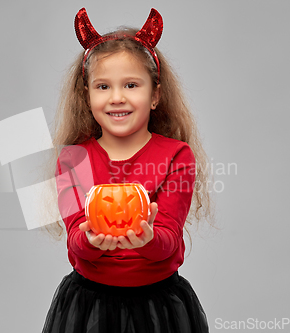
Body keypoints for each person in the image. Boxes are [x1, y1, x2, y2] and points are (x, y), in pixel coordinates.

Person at [42, 7, 214, 333]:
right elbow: (75, 242)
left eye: (131, 85)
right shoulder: (73, 159)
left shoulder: (177, 156)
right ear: (87, 96)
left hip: (158, 308)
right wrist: (90, 239)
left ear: (155, 95)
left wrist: (146, 239)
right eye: (103, 87)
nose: (117, 98)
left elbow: (168, 241)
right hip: (88, 308)